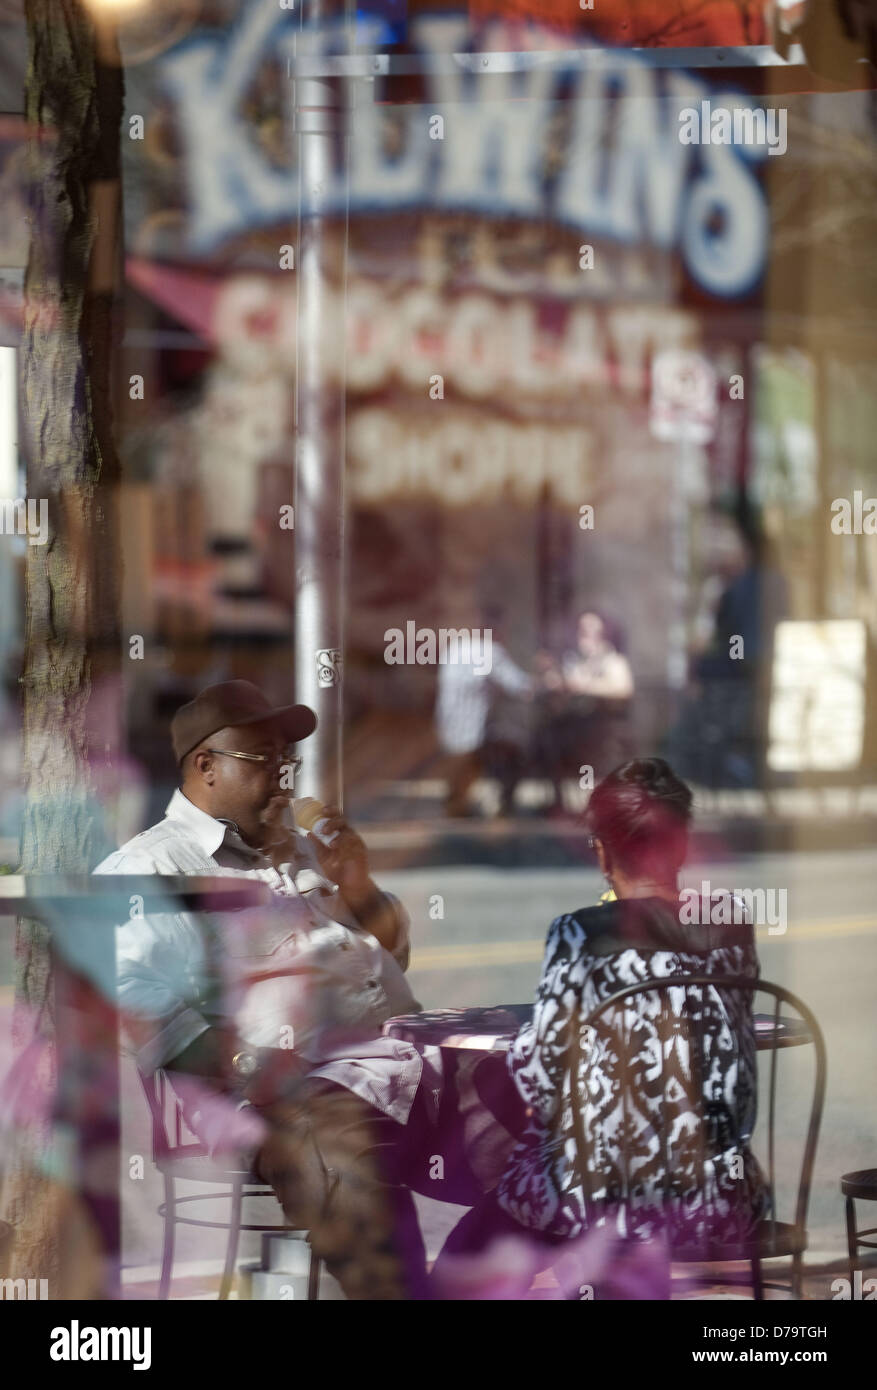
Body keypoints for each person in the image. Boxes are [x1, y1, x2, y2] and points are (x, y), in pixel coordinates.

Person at [94, 680, 444, 1299]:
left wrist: (358, 884)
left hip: (388, 1067)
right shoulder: (153, 867)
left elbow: (395, 959)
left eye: (289, 761)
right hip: (271, 1098)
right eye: (263, 760)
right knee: (337, 1143)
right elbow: (125, 988)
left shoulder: (300, 850)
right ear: (206, 766)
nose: (284, 778)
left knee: (529, 1108)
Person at [431, 757, 768, 1281]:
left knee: (471, 1242)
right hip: (724, 1198)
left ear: (605, 852)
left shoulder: (579, 933)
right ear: (681, 845)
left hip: (609, 1203)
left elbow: (543, 1079)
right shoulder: (730, 923)